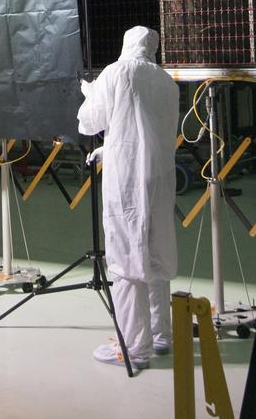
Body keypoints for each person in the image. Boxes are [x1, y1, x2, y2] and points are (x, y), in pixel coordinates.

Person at [77, 26, 179, 370]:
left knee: (126, 262)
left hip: (128, 184)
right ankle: (160, 335)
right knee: (155, 256)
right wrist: (112, 147)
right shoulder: (167, 82)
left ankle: (133, 348)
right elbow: (146, 130)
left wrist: (91, 94)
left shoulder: (116, 72)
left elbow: (90, 123)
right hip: (160, 180)